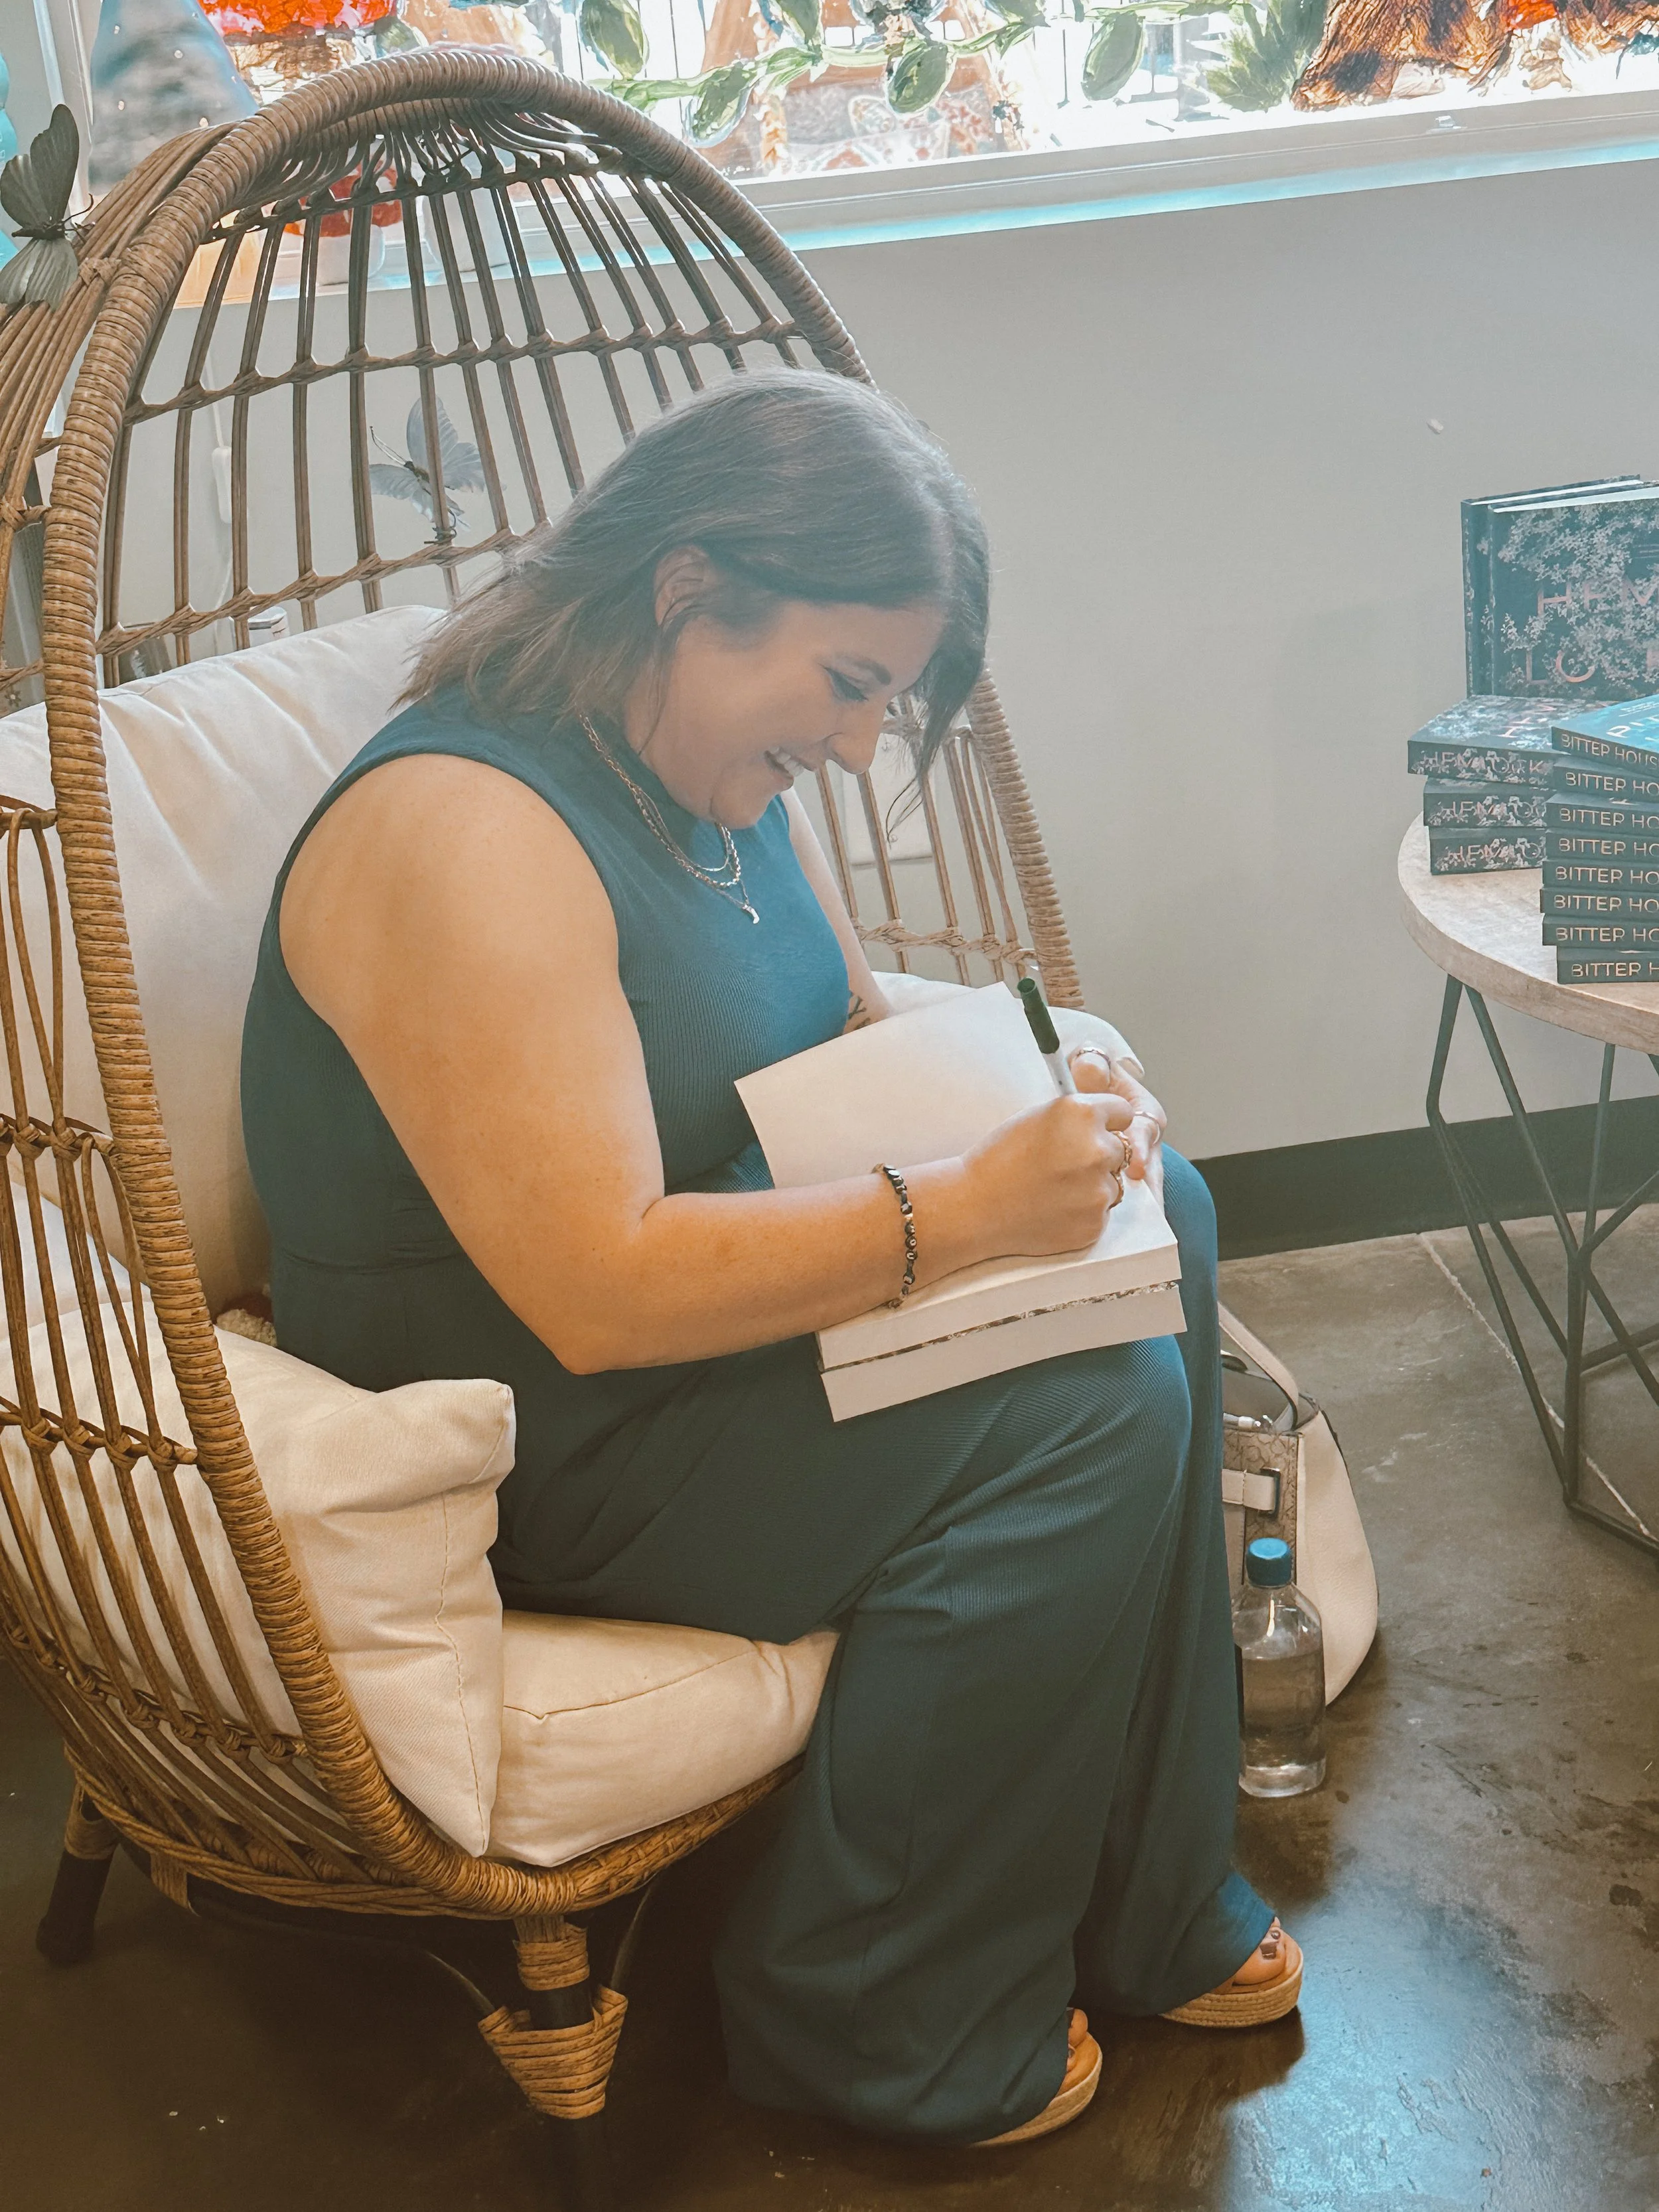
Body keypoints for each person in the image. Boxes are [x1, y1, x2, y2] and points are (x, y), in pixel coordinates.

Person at [240, 370, 1301, 2149]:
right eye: (849, 684)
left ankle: (1136, 1886)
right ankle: (867, 2007)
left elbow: (840, 1034)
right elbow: (596, 1282)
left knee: (1165, 1210)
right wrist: (963, 1215)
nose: (861, 744)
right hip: (552, 1426)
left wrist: (1039, 1096)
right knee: (1091, 1407)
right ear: (689, 589)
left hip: (702, 1334)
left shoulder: (685, 757)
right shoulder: (470, 836)